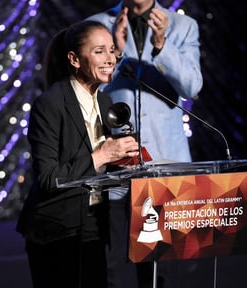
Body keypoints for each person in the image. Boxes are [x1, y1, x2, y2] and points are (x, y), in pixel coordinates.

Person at [87, 0, 203, 287]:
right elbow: (85, 91)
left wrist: (162, 44)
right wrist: (115, 51)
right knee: (109, 269)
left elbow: (192, 87)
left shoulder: (182, 26)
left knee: (161, 272)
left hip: (166, 167)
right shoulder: (97, 26)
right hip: (115, 170)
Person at [16, 20, 140, 288]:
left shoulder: (105, 102)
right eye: (99, 51)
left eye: (112, 50)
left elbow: (100, 170)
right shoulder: (49, 104)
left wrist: (126, 163)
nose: (110, 59)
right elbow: (49, 178)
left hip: (95, 226)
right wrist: (103, 155)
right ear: (74, 59)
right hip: (56, 231)